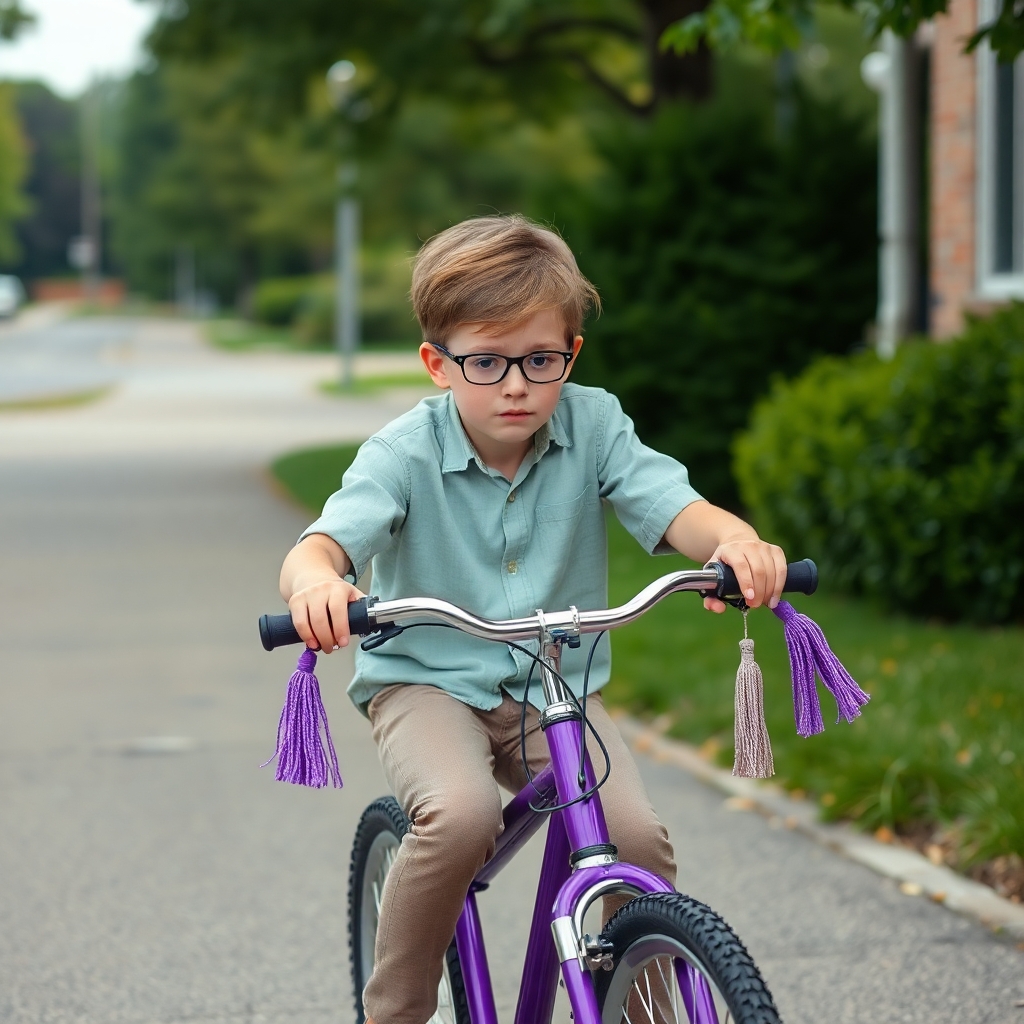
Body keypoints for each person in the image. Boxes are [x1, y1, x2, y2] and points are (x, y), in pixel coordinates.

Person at [279, 215, 787, 1024]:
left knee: (635, 842)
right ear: (438, 364)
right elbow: (322, 546)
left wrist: (734, 541)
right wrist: (317, 582)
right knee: (461, 818)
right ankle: (395, 1011)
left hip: (556, 688)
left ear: (570, 355)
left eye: (540, 360)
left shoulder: (595, 426)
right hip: (427, 684)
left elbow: (674, 505)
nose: (516, 385)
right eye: (486, 362)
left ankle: (644, 1012)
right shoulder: (402, 453)